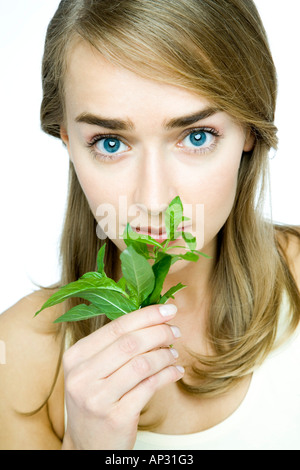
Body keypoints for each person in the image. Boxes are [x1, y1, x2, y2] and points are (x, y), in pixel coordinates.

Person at [0, 0, 299, 451]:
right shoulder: (18, 358)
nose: (153, 202)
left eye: (196, 137)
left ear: (250, 128)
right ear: (66, 138)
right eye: (111, 142)